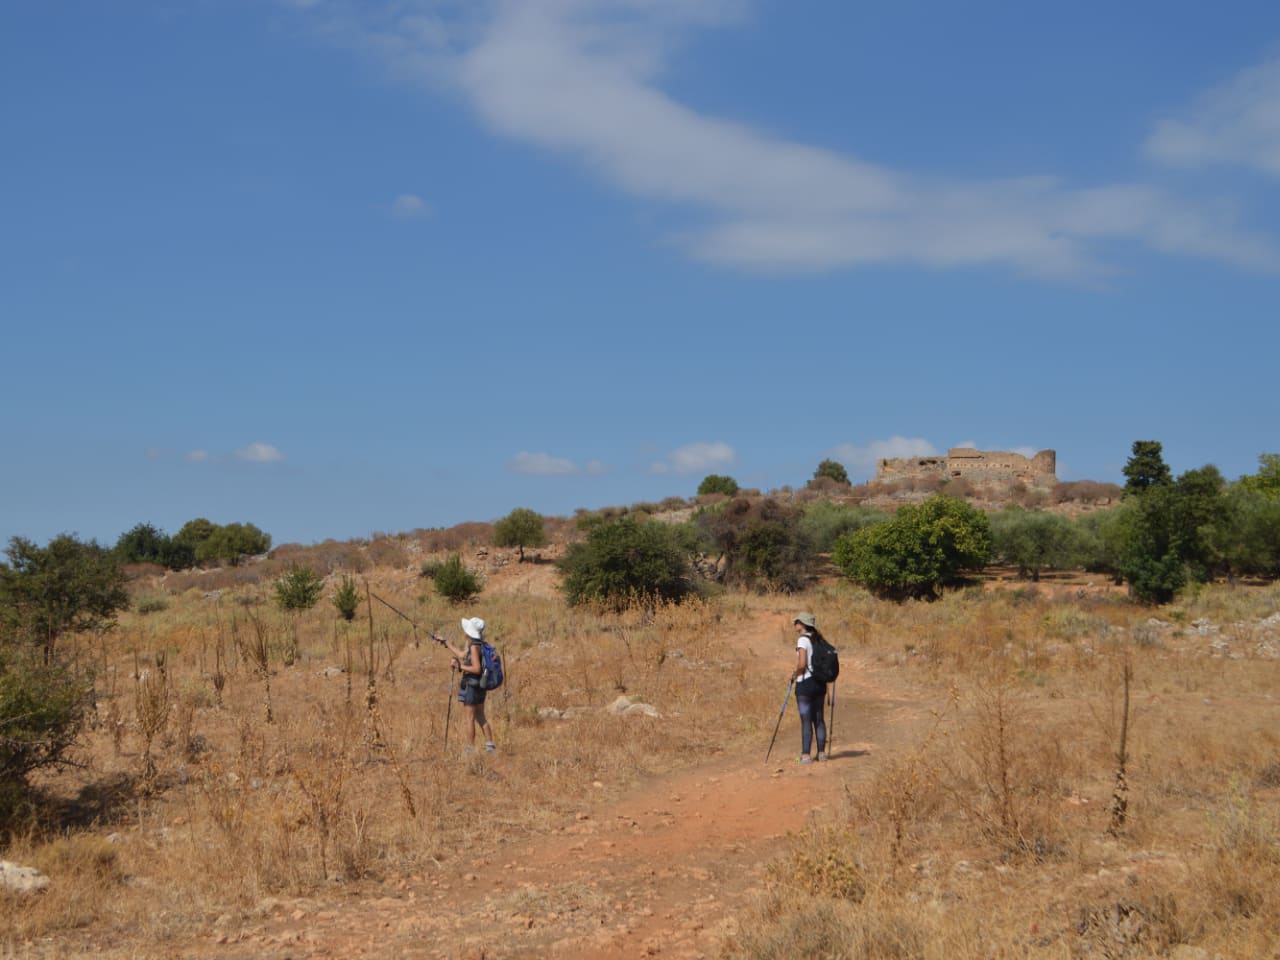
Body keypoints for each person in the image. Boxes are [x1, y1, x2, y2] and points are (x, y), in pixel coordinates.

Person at [439, 616, 496, 753]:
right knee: (480, 715)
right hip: (480, 685)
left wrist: (459, 666)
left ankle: (470, 750)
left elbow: (476, 669)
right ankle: (490, 746)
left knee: (469, 718)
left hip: (471, 685)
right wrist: (446, 642)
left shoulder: (474, 648)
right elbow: (462, 655)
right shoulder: (479, 645)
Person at [791, 612, 828, 763]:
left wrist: (795, 675)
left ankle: (805, 755)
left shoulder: (802, 641)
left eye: (797, 622)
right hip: (820, 683)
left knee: (806, 719)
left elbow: (802, 664)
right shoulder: (820, 640)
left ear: (802, 624)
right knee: (819, 719)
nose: (795, 624)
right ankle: (822, 754)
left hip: (805, 684)